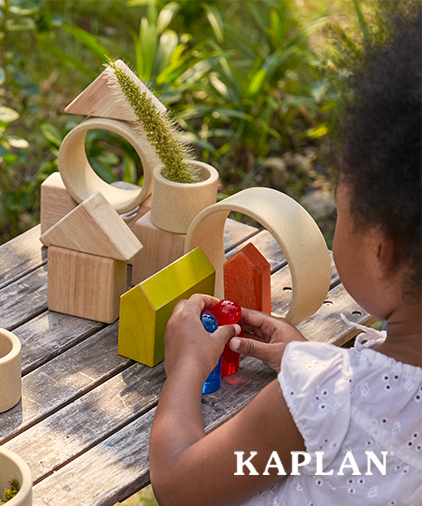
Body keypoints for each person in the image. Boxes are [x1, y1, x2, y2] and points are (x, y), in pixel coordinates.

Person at [149, 7, 422, 505]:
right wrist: (310, 359)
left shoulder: (325, 396)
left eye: (341, 212)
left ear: (384, 250)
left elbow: (176, 483)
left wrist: (186, 367)